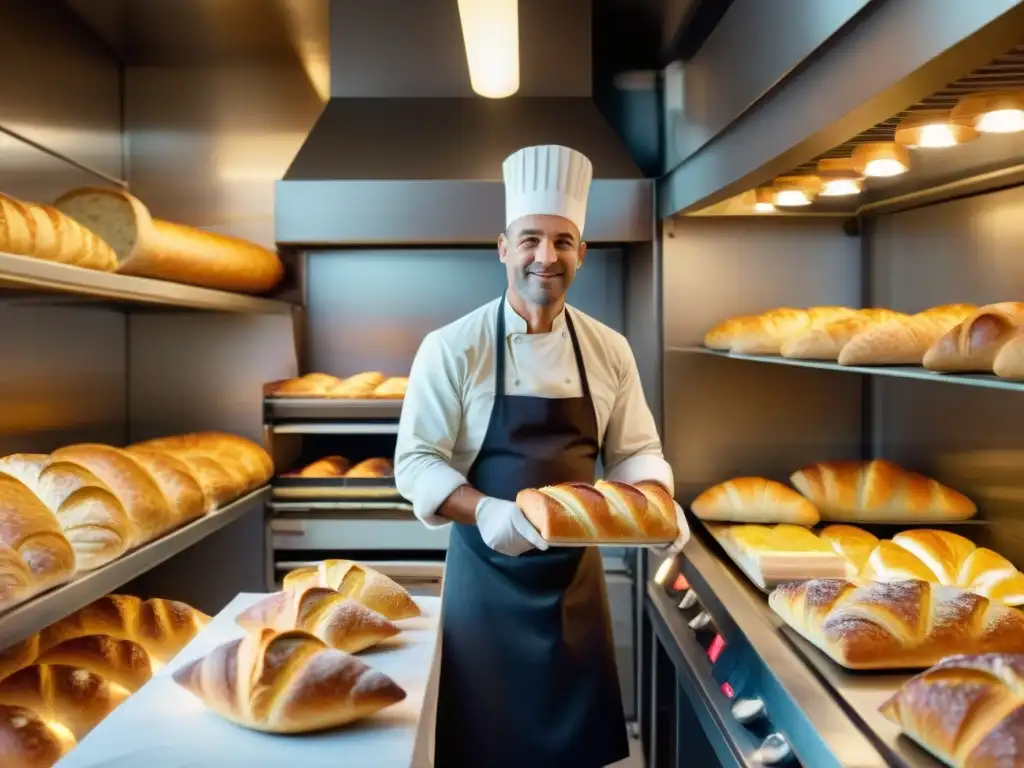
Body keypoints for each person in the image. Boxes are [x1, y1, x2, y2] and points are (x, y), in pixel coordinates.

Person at [394, 144, 689, 768]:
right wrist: (490, 513)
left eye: (563, 241)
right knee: (483, 746)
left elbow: (636, 450)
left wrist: (660, 505)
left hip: (573, 592)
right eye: (531, 240)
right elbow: (416, 461)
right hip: (484, 587)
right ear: (504, 247)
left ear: (581, 252)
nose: (545, 257)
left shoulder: (609, 350)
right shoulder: (454, 347)